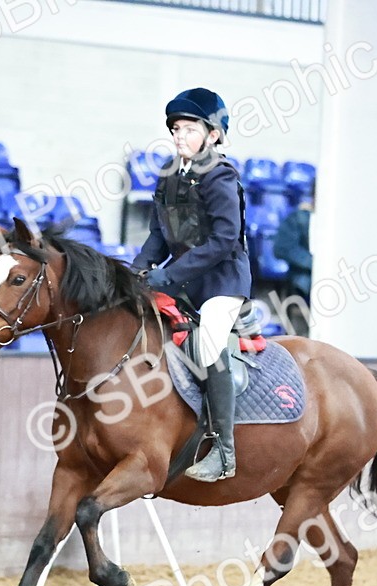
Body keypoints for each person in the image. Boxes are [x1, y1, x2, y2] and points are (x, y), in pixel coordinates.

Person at [132, 88, 251, 482]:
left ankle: (224, 451)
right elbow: (158, 235)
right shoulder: (169, 175)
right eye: (175, 128)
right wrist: (140, 268)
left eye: (188, 128)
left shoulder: (220, 177)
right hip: (184, 281)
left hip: (222, 282)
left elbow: (223, 241)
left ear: (213, 135)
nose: (178, 135)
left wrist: (169, 274)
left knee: (209, 345)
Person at [272, 184, 314, 336]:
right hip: (303, 280)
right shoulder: (298, 218)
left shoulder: (339, 223)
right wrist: (314, 264)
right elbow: (281, 249)